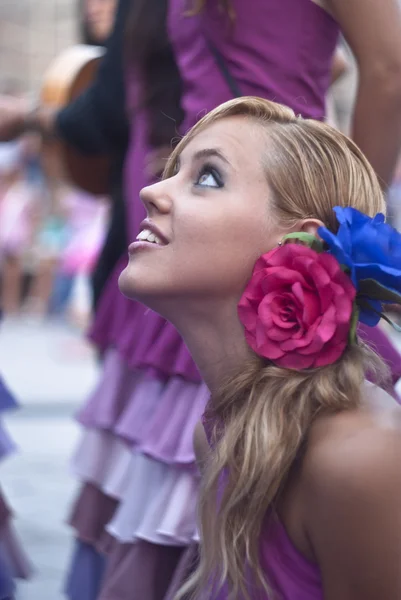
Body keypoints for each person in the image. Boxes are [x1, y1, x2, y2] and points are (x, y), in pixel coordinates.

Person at [119, 96, 401, 600]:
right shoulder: (221, 432)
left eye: (206, 177)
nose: (150, 191)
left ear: (298, 243)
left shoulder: (361, 458)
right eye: (171, 170)